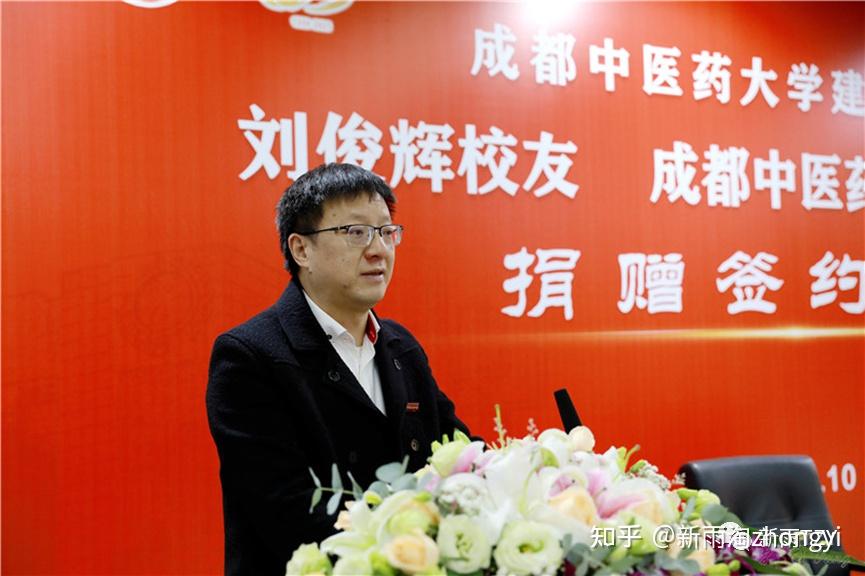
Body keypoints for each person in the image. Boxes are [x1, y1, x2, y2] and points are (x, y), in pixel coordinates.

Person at [206, 163, 469, 576]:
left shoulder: (401, 347)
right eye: (356, 232)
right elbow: (286, 513)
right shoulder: (249, 356)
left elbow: (459, 455)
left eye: (386, 232)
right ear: (301, 250)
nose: (378, 249)